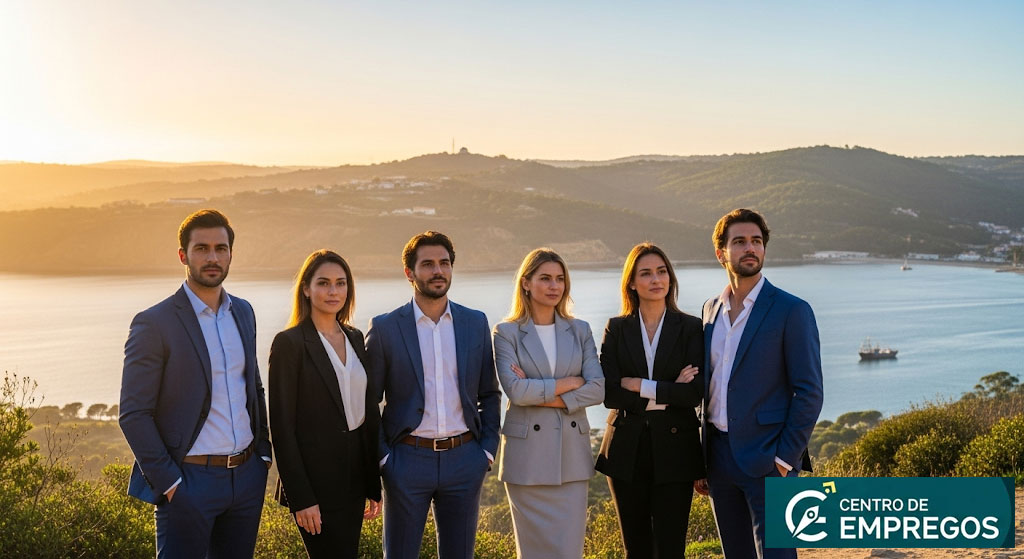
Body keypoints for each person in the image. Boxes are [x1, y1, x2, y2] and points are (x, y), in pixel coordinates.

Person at [119, 209, 271, 559]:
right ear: (183, 255)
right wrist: (172, 485)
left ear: (232, 253)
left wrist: (262, 455)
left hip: (246, 478)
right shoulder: (154, 323)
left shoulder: (244, 312)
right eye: (202, 248)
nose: (213, 257)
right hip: (189, 481)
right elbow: (133, 414)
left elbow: (254, 389)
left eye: (221, 248)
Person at [365, 231, 501, 559]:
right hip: (406, 460)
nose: (437, 271)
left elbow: (489, 392)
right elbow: (368, 402)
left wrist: (486, 451)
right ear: (409, 273)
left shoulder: (475, 322)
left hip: (465, 459)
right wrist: (384, 459)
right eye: (427, 264)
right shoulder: (385, 328)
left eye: (444, 263)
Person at [697, 209, 824, 559]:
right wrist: (701, 459)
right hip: (718, 460)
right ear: (721, 252)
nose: (750, 248)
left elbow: (809, 391)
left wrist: (785, 459)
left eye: (756, 241)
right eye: (739, 242)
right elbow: (708, 388)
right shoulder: (709, 310)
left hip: (770, 460)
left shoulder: (791, 310)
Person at [268, 250, 382, 558]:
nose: (333, 291)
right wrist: (301, 497)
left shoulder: (356, 338)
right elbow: (281, 428)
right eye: (324, 283)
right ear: (306, 288)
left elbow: (368, 414)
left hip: (355, 479)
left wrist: (374, 484)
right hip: (314, 484)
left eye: (340, 283)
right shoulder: (289, 344)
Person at [492, 248, 605, 558]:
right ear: (526, 283)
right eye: (545, 278)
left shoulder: (579, 330)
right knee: (532, 551)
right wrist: (569, 384)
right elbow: (516, 392)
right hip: (527, 459)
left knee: (569, 552)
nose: (555, 286)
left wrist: (539, 391)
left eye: (559, 279)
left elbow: (597, 390)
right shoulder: (506, 332)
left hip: (571, 456)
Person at [596, 242, 705, 558]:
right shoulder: (616, 328)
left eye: (661, 272)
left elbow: (694, 393)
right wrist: (668, 391)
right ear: (631, 281)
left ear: (670, 278)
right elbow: (610, 392)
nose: (655, 279)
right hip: (625, 451)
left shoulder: (690, 327)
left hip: (677, 451)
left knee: (672, 549)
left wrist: (640, 386)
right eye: (645, 273)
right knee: (637, 548)